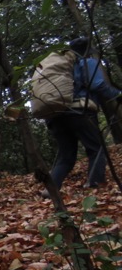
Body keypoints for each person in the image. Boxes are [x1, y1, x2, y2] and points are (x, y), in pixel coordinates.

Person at [46, 36, 121, 193]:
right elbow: (97, 84)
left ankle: (51, 190)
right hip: (79, 112)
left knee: (65, 157)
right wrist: (117, 94)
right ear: (88, 50)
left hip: (55, 115)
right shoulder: (87, 62)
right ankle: (95, 186)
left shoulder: (61, 68)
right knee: (96, 148)